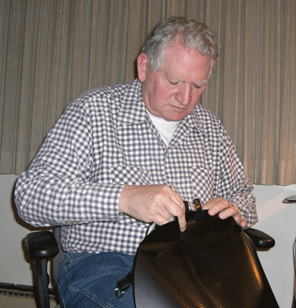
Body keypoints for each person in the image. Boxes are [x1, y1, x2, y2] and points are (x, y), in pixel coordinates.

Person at [15, 17, 258, 307]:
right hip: (103, 264)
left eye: (198, 85)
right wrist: (123, 198)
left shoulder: (211, 129)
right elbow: (29, 196)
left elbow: (244, 197)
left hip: (189, 270)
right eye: (174, 81)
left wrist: (233, 211)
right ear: (144, 67)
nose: (185, 97)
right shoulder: (94, 111)